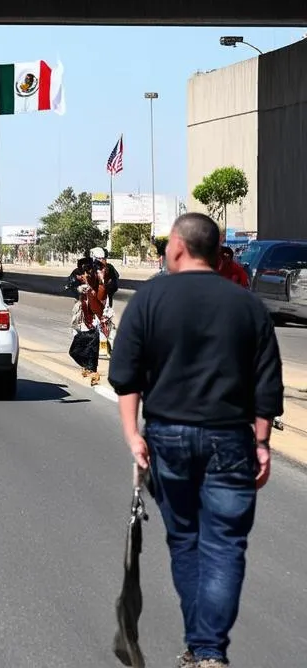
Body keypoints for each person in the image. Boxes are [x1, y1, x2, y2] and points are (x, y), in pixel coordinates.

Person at [108, 213, 283, 668]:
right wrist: (261, 442)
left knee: (185, 541)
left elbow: (126, 376)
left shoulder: (149, 299)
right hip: (232, 438)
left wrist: (134, 437)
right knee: (225, 545)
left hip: (168, 436)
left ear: (179, 248)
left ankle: (201, 649)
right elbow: (267, 385)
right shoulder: (248, 306)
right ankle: (208, 651)